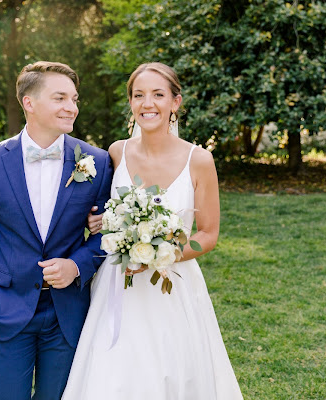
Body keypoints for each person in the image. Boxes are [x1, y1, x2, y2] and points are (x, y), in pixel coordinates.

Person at [62, 62, 244, 399]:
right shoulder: (116, 153)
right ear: (131, 103)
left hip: (172, 289)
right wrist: (101, 221)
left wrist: (163, 254)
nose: (148, 103)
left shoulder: (200, 160)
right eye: (139, 95)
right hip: (118, 288)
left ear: (175, 102)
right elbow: (103, 212)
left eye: (158, 95)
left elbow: (207, 236)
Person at [0, 61, 113, 400]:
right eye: (60, 98)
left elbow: (108, 232)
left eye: (74, 99)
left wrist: (76, 265)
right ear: (29, 103)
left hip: (68, 311)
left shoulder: (97, 162)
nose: (71, 107)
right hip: (6, 304)